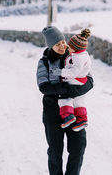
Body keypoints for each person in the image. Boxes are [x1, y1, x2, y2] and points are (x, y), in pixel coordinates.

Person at [36, 26, 94, 175]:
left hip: (73, 110)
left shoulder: (76, 56)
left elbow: (89, 80)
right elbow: (44, 87)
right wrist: (65, 90)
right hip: (53, 112)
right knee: (55, 152)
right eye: (57, 44)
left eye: (63, 42)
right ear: (50, 46)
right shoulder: (44, 63)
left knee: (79, 146)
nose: (62, 46)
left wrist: (72, 91)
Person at [53, 28, 92, 132]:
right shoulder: (83, 55)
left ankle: (68, 116)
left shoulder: (77, 58)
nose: (67, 48)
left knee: (65, 97)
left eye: (69, 47)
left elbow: (72, 73)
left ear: (75, 48)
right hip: (82, 80)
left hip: (75, 80)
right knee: (79, 101)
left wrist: (59, 72)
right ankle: (82, 119)